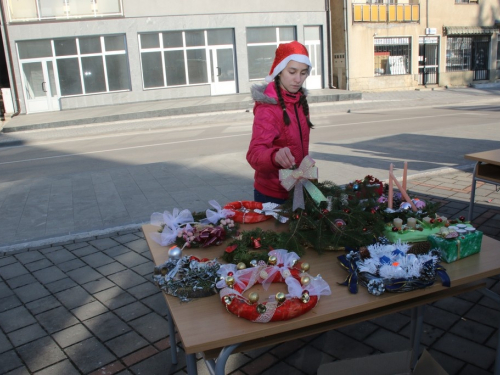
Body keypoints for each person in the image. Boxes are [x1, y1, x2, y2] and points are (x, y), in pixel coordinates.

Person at [246, 41, 314, 204]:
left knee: (322, 211)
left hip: (298, 185)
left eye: (303, 73)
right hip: (274, 195)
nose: (298, 79)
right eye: (292, 72)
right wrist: (274, 157)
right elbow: (254, 154)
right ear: (279, 71)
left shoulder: (299, 101)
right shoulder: (268, 108)